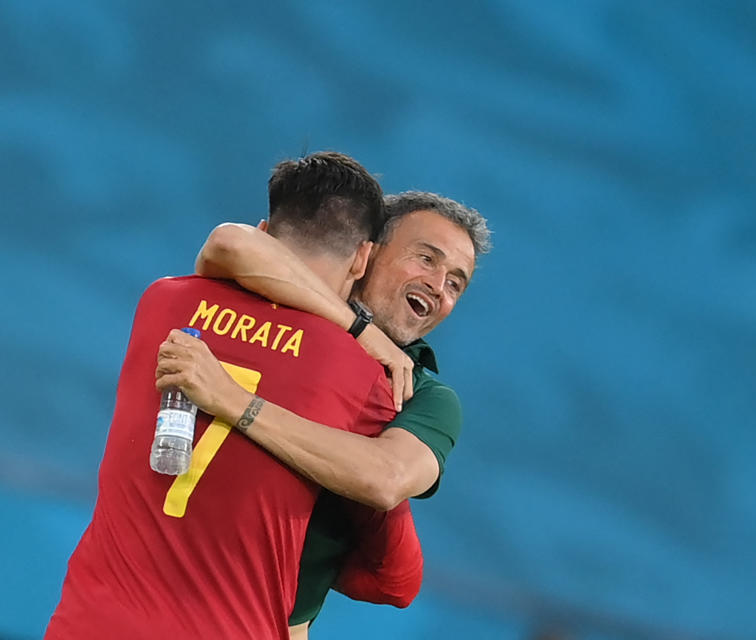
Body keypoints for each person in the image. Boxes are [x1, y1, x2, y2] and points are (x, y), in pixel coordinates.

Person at [46, 152, 424, 640]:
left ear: (265, 231)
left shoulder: (163, 301)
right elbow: (397, 578)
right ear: (362, 258)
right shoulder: (363, 375)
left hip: (89, 625)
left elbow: (227, 246)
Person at [159, 190, 492, 635]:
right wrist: (358, 329)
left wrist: (232, 400)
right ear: (367, 252)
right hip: (144, 592)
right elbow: (228, 244)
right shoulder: (280, 306)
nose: (438, 286)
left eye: (456, 283)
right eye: (426, 259)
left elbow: (385, 477)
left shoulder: (424, 396)